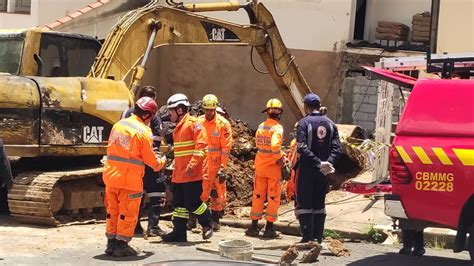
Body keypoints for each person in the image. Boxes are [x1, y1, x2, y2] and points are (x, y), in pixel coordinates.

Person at [102, 96, 167, 257]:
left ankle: (111, 243)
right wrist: (162, 161)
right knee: (127, 212)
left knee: (113, 211)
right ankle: (122, 245)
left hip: (111, 176)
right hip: (129, 179)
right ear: (147, 115)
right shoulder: (142, 131)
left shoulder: (118, 125)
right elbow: (150, 160)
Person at [161, 93, 213, 242]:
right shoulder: (179, 127)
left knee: (193, 203)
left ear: (180, 110)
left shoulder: (193, 124)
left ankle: (207, 223)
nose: (168, 114)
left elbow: (201, 147)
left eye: (170, 110)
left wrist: (192, 165)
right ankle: (179, 232)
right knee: (179, 205)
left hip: (192, 174)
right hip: (180, 174)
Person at [295, 93, 342, 243]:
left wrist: (317, 163)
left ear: (306, 106)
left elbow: (301, 147)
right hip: (324, 172)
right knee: (319, 202)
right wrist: (328, 163)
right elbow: (337, 148)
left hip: (307, 170)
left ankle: (307, 237)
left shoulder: (303, 123)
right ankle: (318, 237)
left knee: (304, 202)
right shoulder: (330, 124)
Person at [122, 86, 168, 237]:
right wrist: (159, 159)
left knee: (137, 194)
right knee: (157, 191)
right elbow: (157, 138)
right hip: (148, 160)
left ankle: (134, 226)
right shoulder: (153, 115)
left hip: (131, 162)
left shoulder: (128, 113)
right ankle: (153, 226)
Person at [245, 98, 285, 238]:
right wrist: (281, 160)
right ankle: (269, 228)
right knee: (273, 197)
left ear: (267, 112)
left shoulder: (261, 126)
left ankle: (253, 227)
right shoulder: (277, 128)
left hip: (260, 166)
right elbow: (274, 146)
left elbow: (259, 145)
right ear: (280, 113)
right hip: (273, 168)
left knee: (257, 196)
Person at [198, 94, 232, 231]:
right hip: (202, 162)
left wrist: (223, 167)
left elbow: (226, 147)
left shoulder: (223, 124)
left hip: (217, 164)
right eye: (206, 110)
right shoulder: (198, 122)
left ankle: (216, 220)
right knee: (201, 192)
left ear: (215, 109)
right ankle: (197, 220)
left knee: (217, 193)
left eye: (211, 110)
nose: (208, 113)